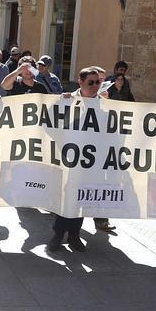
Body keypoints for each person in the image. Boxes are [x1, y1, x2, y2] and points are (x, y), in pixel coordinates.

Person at [48, 67, 103, 253]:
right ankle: (58, 234)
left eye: (98, 82)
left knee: (81, 196)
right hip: (67, 159)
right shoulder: (67, 101)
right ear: (80, 82)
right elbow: (48, 123)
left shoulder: (105, 105)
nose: (95, 86)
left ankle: (74, 235)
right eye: (91, 82)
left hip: (90, 161)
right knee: (66, 196)